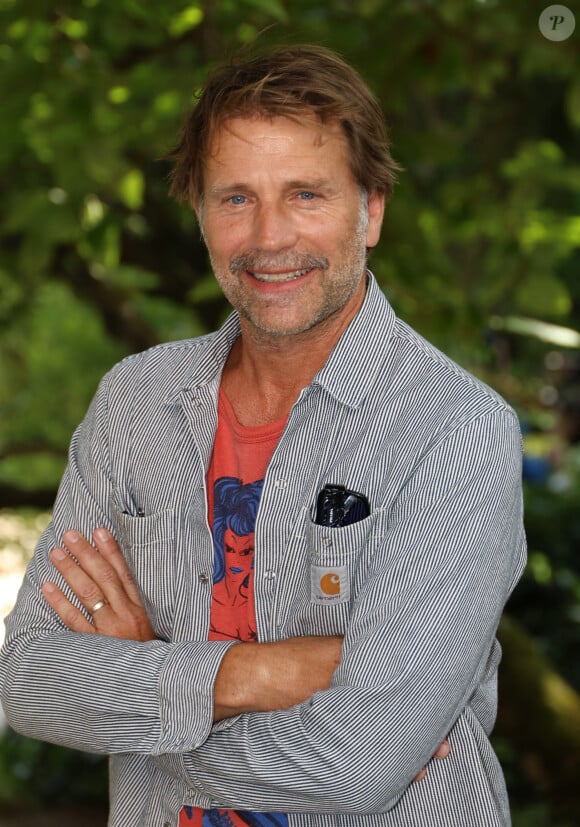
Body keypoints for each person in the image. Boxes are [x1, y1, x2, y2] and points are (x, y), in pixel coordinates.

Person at [0, 44, 526, 827]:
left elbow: (355, 767)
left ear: (371, 209)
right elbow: (28, 680)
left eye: (306, 194)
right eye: (235, 198)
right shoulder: (135, 401)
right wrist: (252, 673)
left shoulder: (454, 430)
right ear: (201, 213)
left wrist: (144, 683)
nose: (269, 236)